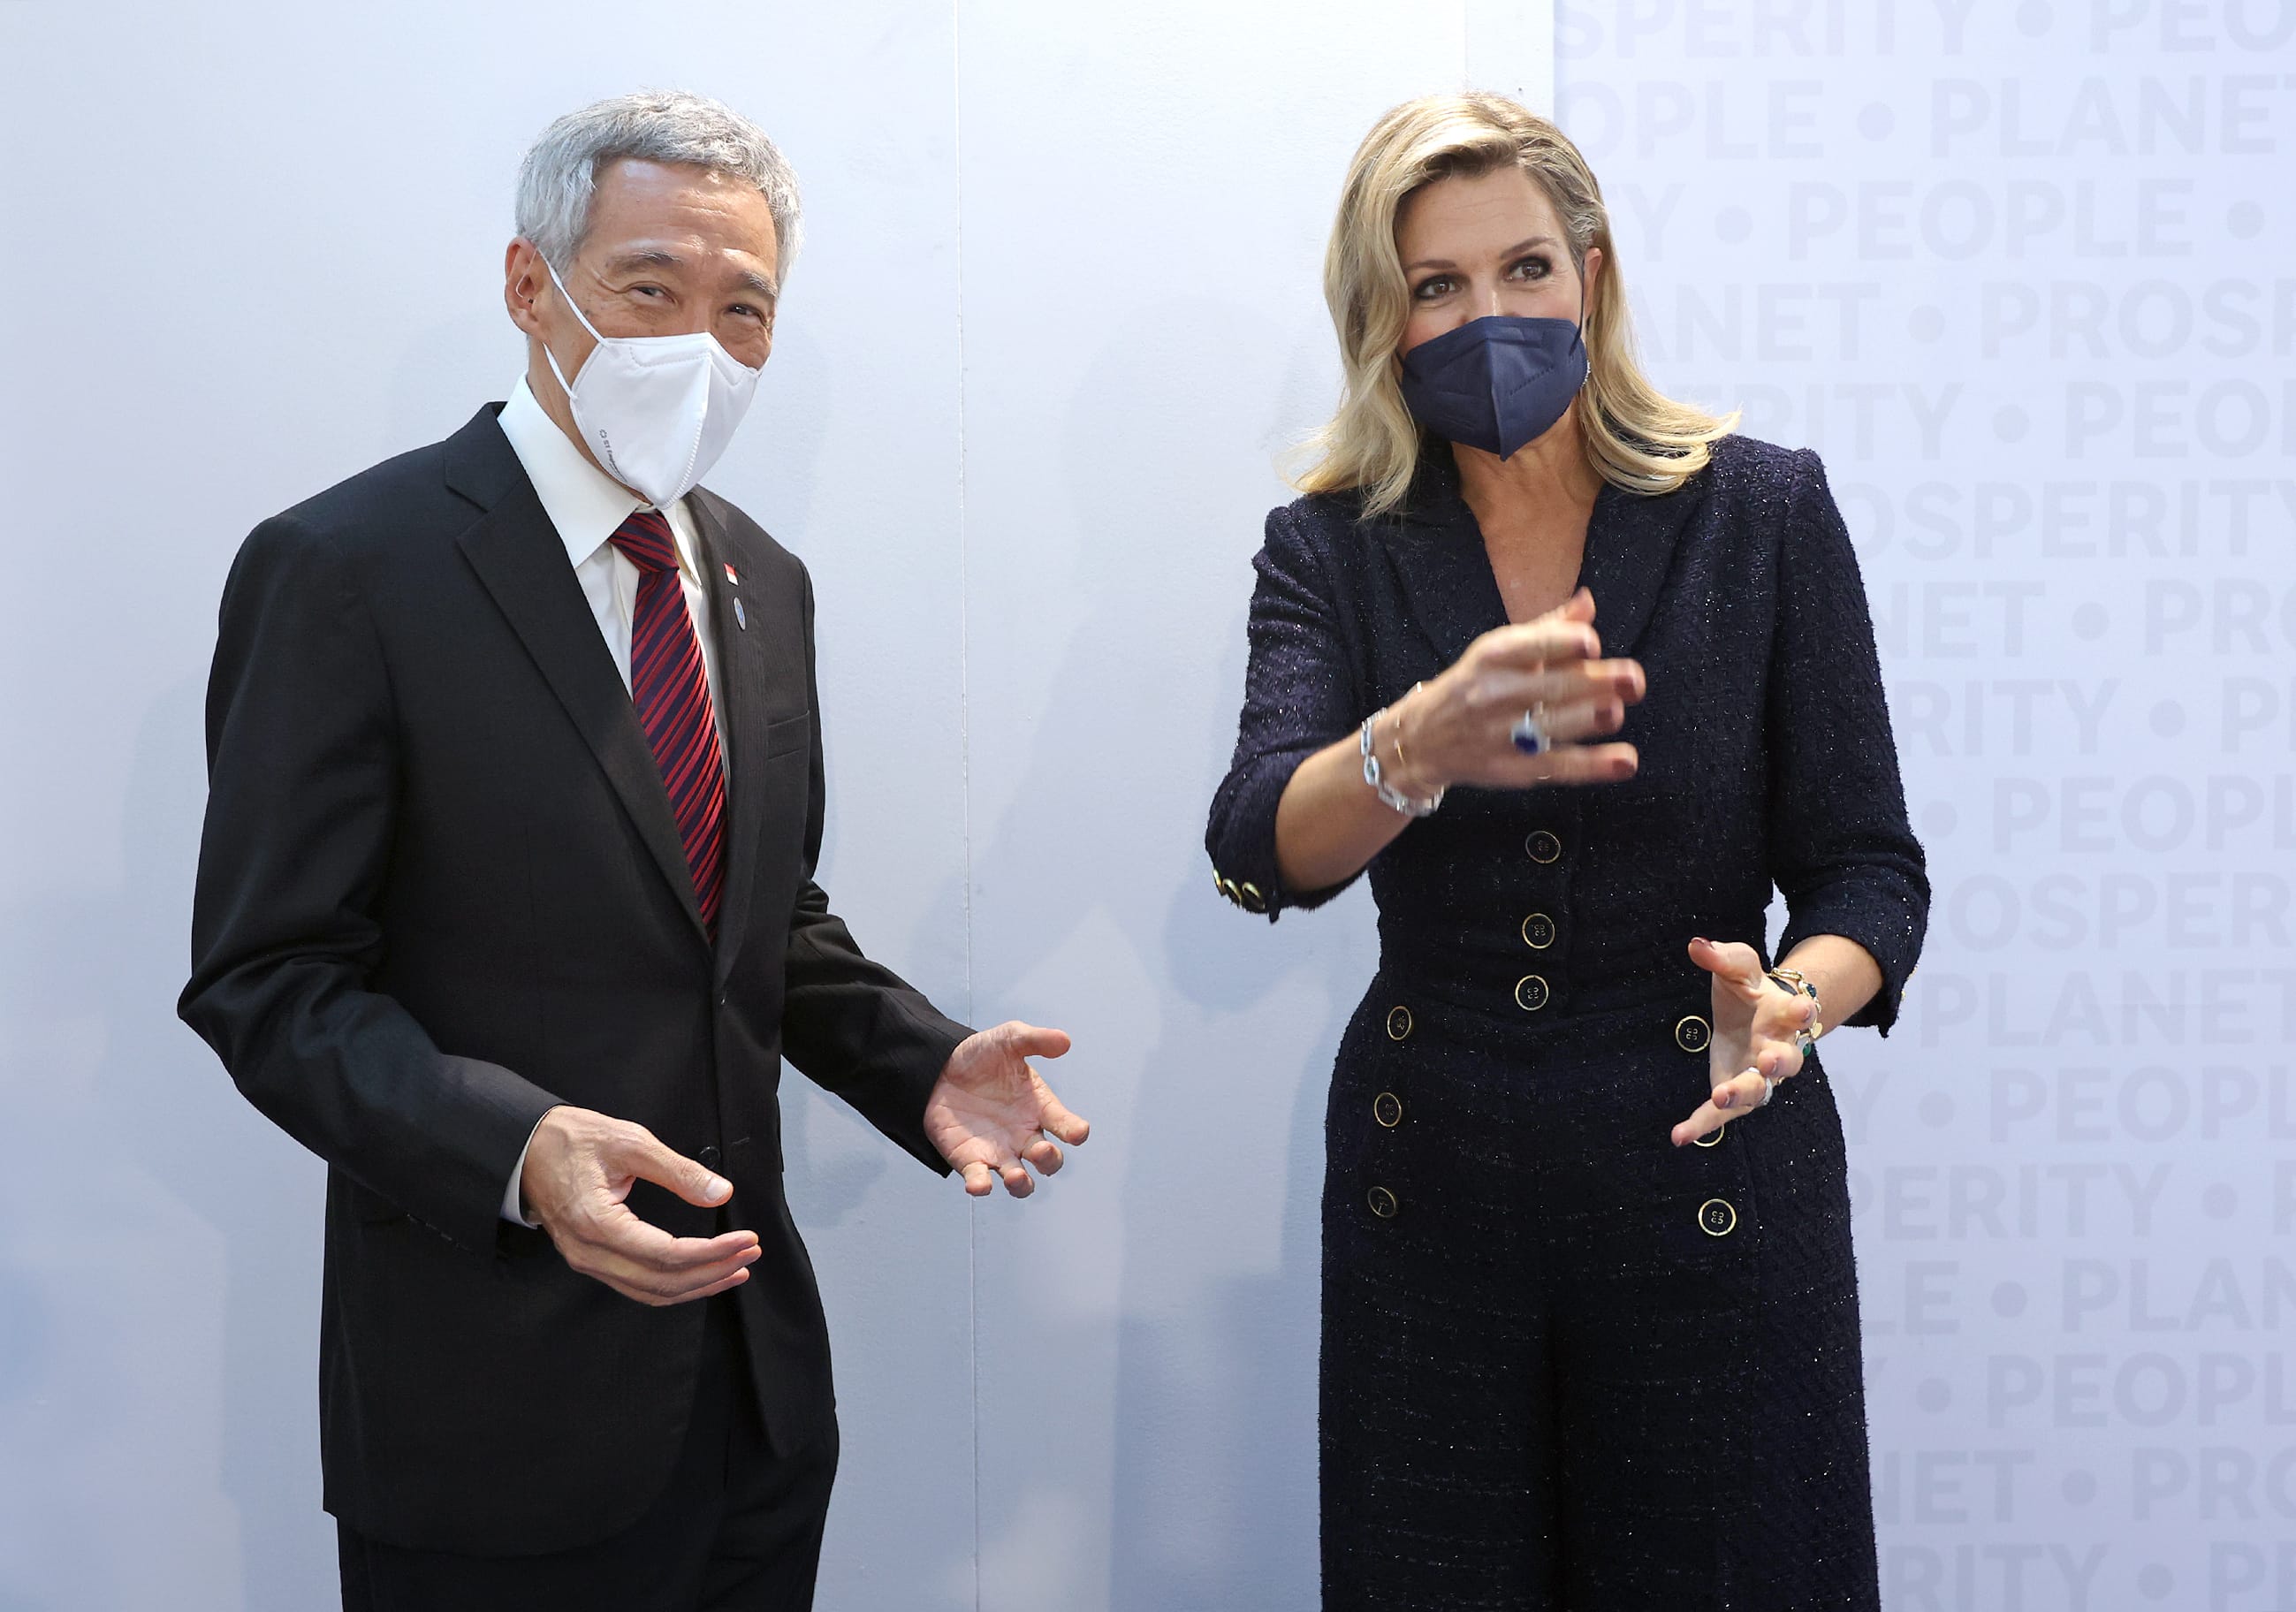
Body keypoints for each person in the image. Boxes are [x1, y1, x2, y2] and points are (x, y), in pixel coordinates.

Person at [179, 90, 1088, 1611]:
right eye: (649, 289)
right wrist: (516, 1149)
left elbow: (754, 921)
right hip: (490, 1405)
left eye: (745, 311)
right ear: (531, 287)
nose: (699, 348)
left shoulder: (762, 579)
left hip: (751, 1399)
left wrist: (916, 1061)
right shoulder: (346, 568)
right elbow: (268, 984)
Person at [1205, 93, 1927, 1610]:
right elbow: (1259, 843)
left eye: (1525, 268)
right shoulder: (1330, 543)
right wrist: (1412, 746)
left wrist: (1795, 999)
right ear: (1382, 318)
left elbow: (1869, 868)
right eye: (1437, 285)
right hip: (1433, 1190)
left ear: (1590, 276)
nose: (1490, 315)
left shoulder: (1760, 509)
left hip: (1710, 1159)